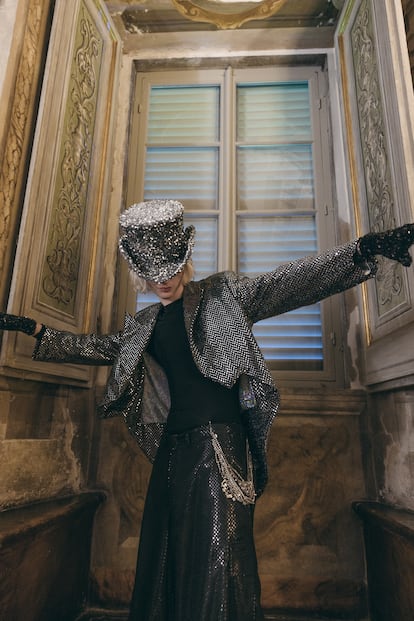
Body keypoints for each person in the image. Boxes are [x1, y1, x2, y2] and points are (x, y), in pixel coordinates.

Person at [1, 199, 413, 621]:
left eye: (171, 268)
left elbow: (286, 283)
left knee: (220, 555)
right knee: (168, 549)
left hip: (219, 445)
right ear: (141, 275)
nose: (164, 280)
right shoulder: (144, 325)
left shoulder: (224, 295)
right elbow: (97, 347)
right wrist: (37, 330)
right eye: (153, 274)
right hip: (173, 451)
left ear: (185, 260)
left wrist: (363, 250)